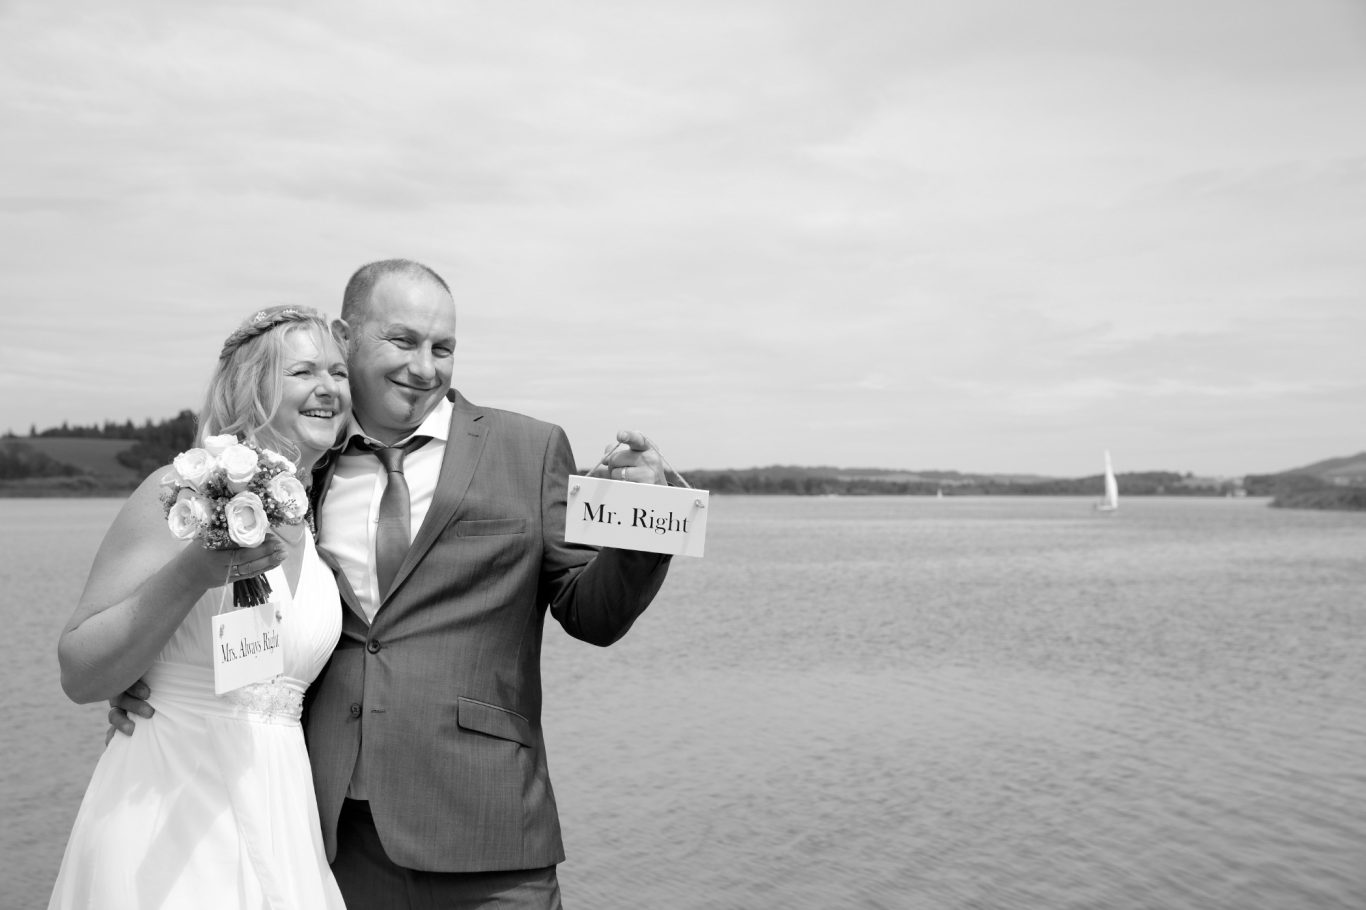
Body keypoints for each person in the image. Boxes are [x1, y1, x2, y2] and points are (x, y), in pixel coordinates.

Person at [113, 259, 674, 909]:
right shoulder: (296, 468)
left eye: (444, 348)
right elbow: (256, 612)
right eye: (403, 342)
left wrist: (644, 524)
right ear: (344, 337)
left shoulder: (534, 448)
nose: (426, 367)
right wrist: (149, 680)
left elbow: (593, 614)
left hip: (489, 836)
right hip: (332, 838)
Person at [50, 306, 351, 909]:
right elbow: (81, 672)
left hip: (282, 801)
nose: (329, 387)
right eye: (303, 371)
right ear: (252, 385)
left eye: (339, 372)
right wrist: (195, 571)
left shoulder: (312, 519)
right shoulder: (180, 494)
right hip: (169, 796)